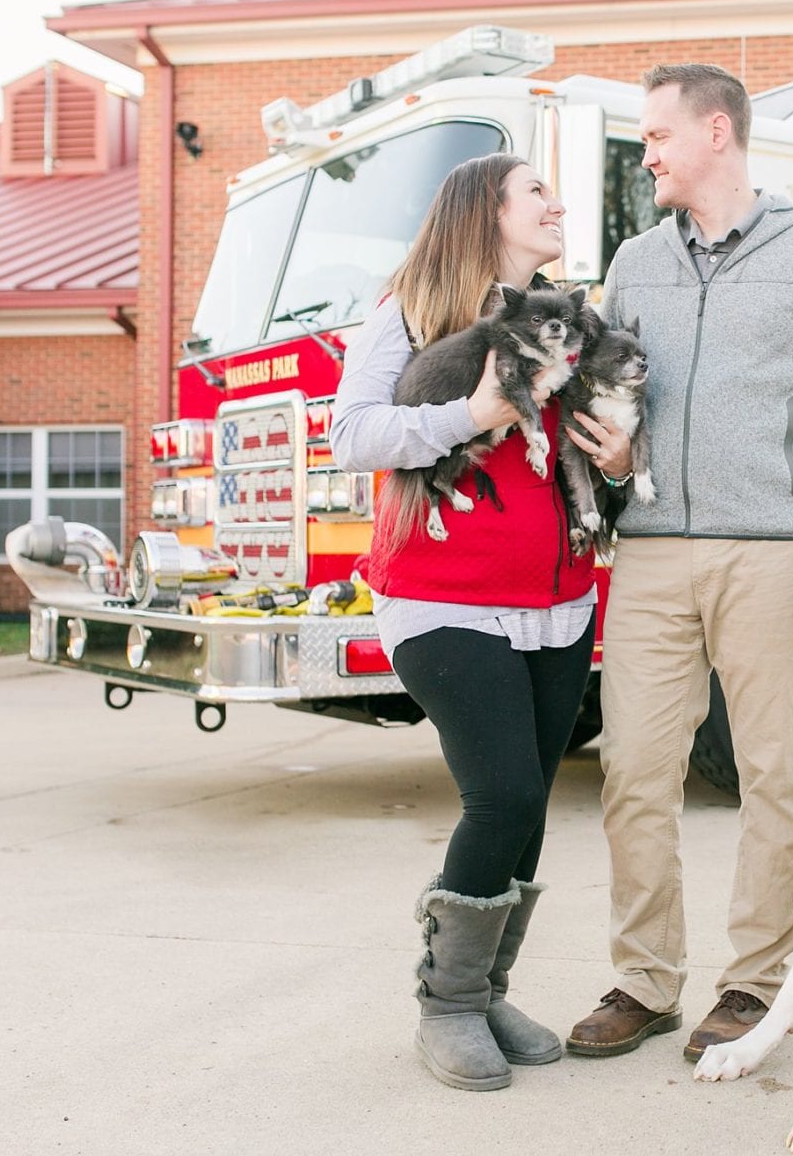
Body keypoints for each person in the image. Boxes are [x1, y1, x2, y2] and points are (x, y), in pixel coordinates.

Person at [565, 64, 793, 1061]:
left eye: (660, 134)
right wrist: (616, 457)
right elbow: (611, 389)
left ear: (718, 131)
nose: (648, 152)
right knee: (633, 771)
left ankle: (754, 986)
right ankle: (644, 980)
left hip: (780, 554)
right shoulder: (632, 262)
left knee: (776, 779)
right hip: (655, 552)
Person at [331, 153, 633, 1092]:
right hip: (442, 596)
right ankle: (447, 1003)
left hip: (559, 601)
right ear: (484, 212)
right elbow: (351, 432)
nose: (558, 204)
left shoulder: (564, 316)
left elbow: (588, 454)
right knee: (500, 793)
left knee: (532, 802)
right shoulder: (411, 309)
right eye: (536, 192)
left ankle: (489, 986)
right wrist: (470, 412)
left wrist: (619, 461)